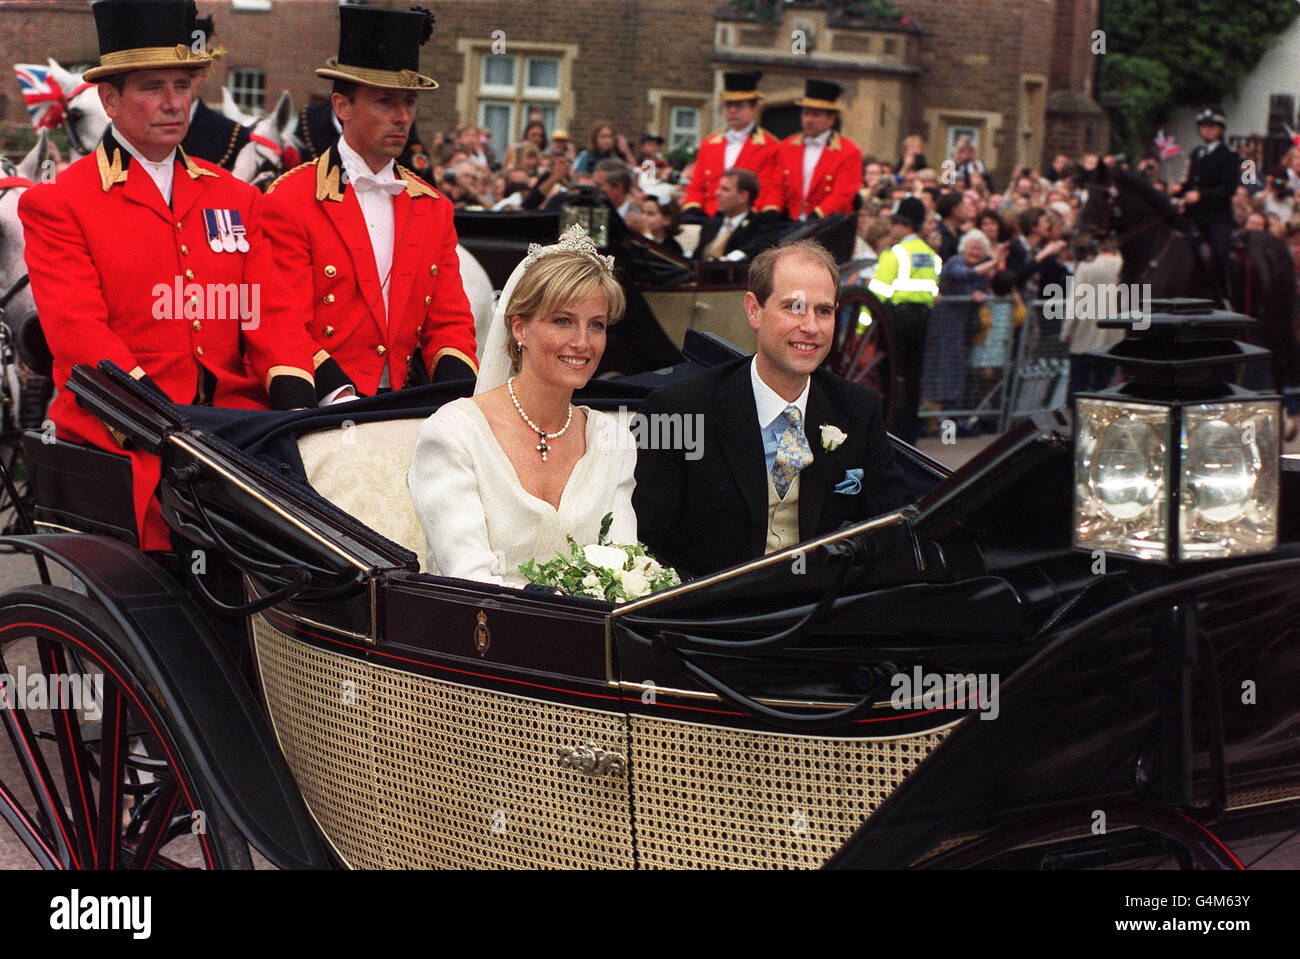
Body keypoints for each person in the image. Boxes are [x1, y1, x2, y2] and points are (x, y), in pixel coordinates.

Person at [18, 0, 329, 550]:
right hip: (123, 433)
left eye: (183, 85)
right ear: (109, 99)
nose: (172, 102)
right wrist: (170, 424)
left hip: (236, 428)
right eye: (152, 86)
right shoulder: (60, 203)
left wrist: (298, 407)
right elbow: (81, 339)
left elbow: (271, 312)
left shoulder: (235, 196)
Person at [633, 240, 912, 577]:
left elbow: (894, 524)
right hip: (712, 620)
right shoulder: (677, 411)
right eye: (794, 307)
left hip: (820, 614)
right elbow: (652, 546)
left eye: (823, 311)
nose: (810, 326)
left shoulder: (858, 408)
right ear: (754, 310)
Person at [263, 3, 478, 396]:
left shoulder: (434, 207)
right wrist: (338, 397)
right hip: (319, 399)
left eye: (408, 103)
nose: (402, 117)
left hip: (399, 398)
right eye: (385, 102)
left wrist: (456, 401)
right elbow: (284, 324)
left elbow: (449, 323)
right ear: (342, 107)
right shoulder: (289, 199)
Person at [408, 227, 636, 585]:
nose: (582, 342)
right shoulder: (454, 434)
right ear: (519, 328)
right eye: (563, 321)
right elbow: (470, 581)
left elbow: (625, 570)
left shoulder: (613, 439)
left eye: (596, 325)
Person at [868, 196, 940, 445]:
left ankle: (890, 430)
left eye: (896, 223)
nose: (892, 228)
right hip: (922, 319)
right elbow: (933, 291)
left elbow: (876, 293)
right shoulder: (931, 255)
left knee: (890, 374)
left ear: (904, 225)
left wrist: (861, 328)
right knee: (912, 375)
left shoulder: (895, 253)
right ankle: (910, 433)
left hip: (895, 319)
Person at [681, 71, 780, 220]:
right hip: (707, 218)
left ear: (754, 109)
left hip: (746, 221)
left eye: (739, 106)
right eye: (729, 105)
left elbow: (767, 190)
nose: (732, 111)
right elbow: (696, 186)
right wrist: (693, 208)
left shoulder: (771, 146)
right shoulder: (709, 144)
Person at [1171, 107, 1241, 303]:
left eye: (1211, 127)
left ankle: (1224, 294)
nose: (1207, 131)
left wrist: (1201, 195)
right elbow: (1191, 183)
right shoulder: (1196, 153)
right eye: (1203, 127)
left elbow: (1228, 188)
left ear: (1220, 129)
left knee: (1219, 252)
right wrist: (1178, 189)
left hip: (1217, 217)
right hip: (1193, 216)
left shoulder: (1228, 154)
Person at [767, 80, 863, 221]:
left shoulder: (849, 151)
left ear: (831, 119)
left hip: (829, 222)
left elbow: (843, 194)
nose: (809, 120)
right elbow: (776, 185)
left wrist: (818, 215)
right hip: (790, 220)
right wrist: (772, 210)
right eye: (806, 114)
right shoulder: (786, 147)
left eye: (816, 115)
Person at [693, 168, 780, 262]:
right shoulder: (710, 225)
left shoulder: (760, 227)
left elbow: (752, 254)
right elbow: (695, 261)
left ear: (743, 196)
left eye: (725, 189)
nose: (717, 193)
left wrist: (727, 260)